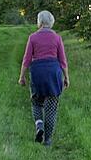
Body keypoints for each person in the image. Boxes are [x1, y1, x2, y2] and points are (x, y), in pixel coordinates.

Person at [18, 10, 70, 147]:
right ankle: (47, 140)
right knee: (51, 108)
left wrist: (22, 76)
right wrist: (66, 77)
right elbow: (63, 60)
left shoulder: (33, 38)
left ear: (39, 22)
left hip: (38, 73)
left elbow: (26, 59)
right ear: (51, 22)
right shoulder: (57, 38)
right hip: (53, 73)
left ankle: (39, 125)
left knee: (36, 102)